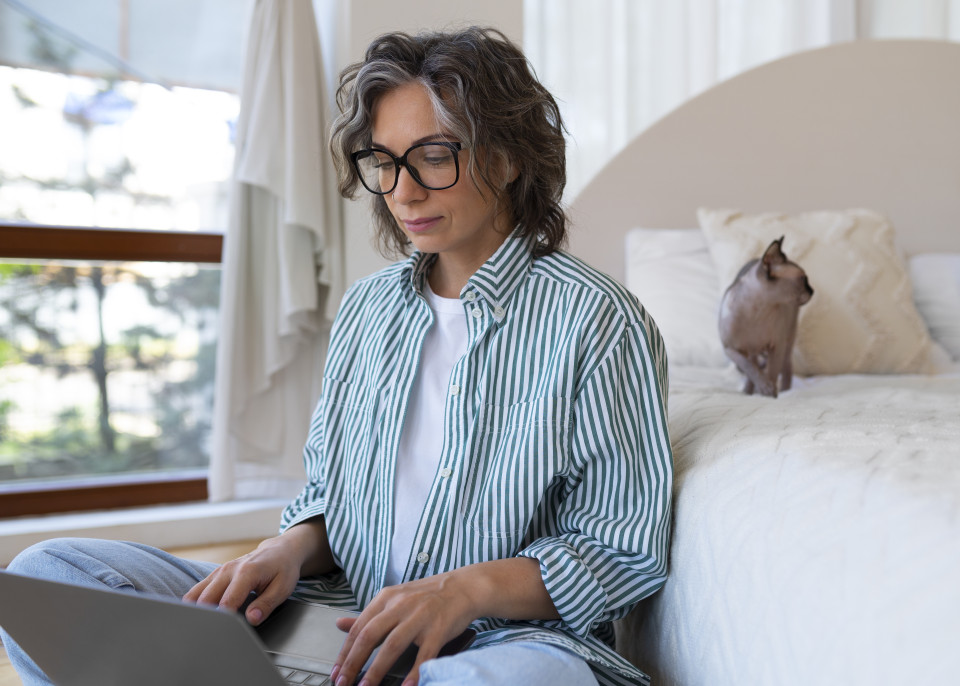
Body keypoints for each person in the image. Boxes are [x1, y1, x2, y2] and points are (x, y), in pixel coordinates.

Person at [0, 27, 672, 686]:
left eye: (434, 156)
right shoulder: (365, 312)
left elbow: (619, 550)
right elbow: (331, 499)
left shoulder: (598, 319)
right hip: (339, 619)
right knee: (48, 572)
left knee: (526, 679)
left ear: (509, 156)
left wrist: (462, 592)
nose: (403, 191)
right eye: (384, 161)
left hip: (496, 641)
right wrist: (285, 549)